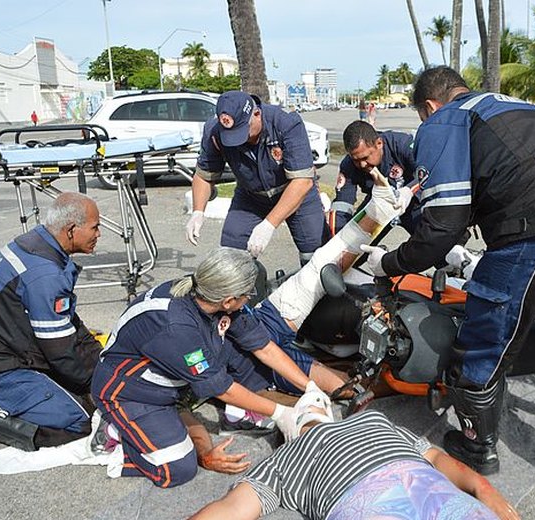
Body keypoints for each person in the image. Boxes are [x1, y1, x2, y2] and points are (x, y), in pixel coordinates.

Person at [360, 66, 535, 516]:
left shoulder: (444, 121)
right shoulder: (523, 108)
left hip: (530, 238)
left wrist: (390, 262)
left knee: (484, 348)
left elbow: (443, 221)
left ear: (429, 104)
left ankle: (477, 446)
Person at [93, 182, 411, 488]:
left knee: (326, 382)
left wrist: (309, 386)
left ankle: (234, 406)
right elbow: (224, 387)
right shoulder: (178, 328)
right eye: (246, 296)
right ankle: (116, 435)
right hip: (135, 390)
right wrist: (282, 413)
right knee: (178, 468)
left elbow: (263, 346)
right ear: (229, 299)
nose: (249, 301)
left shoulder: (218, 299)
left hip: (214, 353)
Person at [190, 395, 520, 520]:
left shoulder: (370, 420)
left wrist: (482, 489)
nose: (313, 407)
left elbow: (434, 457)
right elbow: (437, 459)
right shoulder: (287, 458)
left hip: (406, 492)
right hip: (392, 495)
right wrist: (481, 488)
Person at [0, 192, 103, 455]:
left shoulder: (39, 244)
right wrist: (99, 382)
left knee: (88, 381)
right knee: (78, 419)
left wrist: (100, 361)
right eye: (94, 227)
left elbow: (69, 323)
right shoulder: (44, 273)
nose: (99, 234)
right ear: (71, 229)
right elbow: (60, 350)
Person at [186, 90, 326, 265]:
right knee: (232, 254)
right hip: (251, 197)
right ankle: (246, 290)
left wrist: (269, 225)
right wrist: (198, 211)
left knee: (316, 254)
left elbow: (302, 182)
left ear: (257, 114)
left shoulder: (285, 123)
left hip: (295, 192)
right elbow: (204, 175)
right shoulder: (215, 132)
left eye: (243, 131)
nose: (239, 140)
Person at [327, 120, 420, 235]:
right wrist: (338, 237)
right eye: (356, 160)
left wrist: (408, 191)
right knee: (354, 243)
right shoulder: (348, 165)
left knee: (430, 244)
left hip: (412, 202)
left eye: (365, 157)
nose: (362, 164)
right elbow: (342, 204)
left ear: (379, 143)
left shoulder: (402, 144)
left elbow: (428, 171)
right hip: (377, 204)